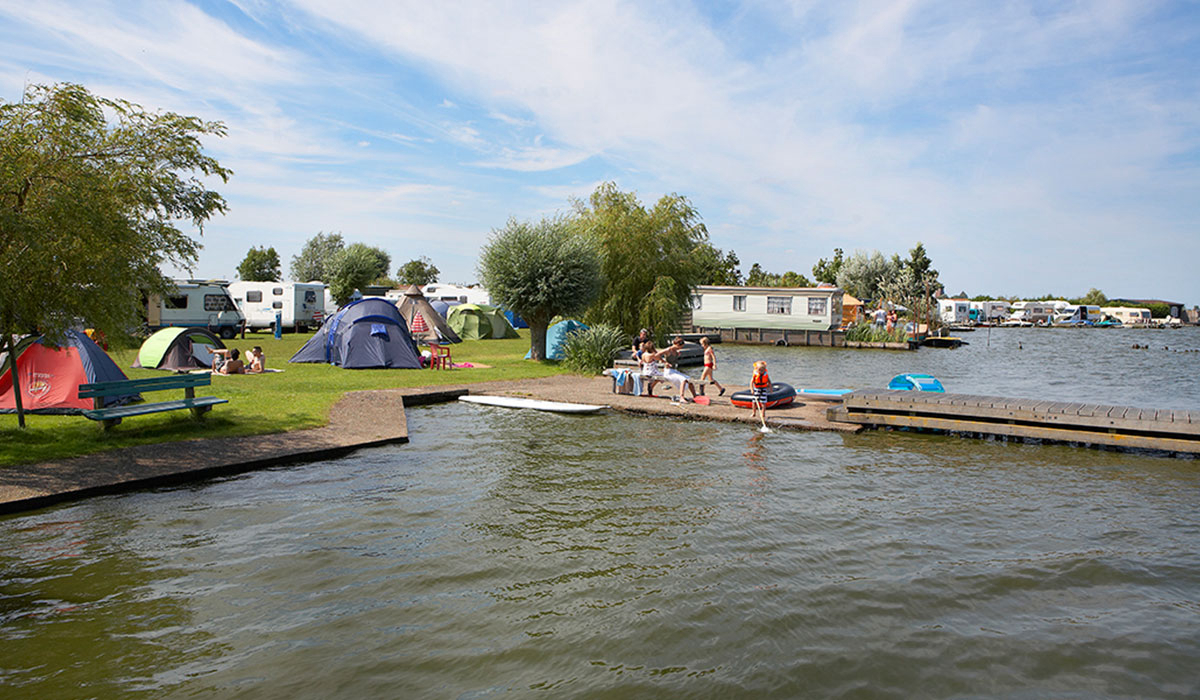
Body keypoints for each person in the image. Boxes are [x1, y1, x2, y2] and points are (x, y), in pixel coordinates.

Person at [750, 360, 771, 429]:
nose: (761, 371)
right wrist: (752, 389)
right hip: (757, 389)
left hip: (764, 389)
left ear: (764, 370)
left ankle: (763, 413)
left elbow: (769, 381)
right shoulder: (755, 374)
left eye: (762, 370)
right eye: (759, 370)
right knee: (754, 401)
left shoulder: (765, 374)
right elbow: (751, 382)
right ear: (757, 369)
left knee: (763, 402)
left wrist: (770, 389)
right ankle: (754, 413)